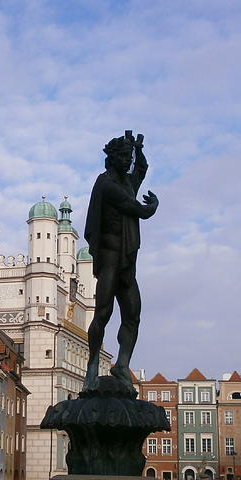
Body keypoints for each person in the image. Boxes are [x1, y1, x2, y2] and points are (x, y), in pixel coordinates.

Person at [83, 131, 159, 392]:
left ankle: (122, 365)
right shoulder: (106, 184)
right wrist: (152, 207)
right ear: (113, 158)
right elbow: (134, 207)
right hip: (110, 259)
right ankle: (92, 366)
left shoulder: (127, 181)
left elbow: (142, 168)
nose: (128, 161)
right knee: (102, 313)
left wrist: (138, 148)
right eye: (124, 156)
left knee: (133, 314)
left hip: (126, 261)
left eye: (129, 157)